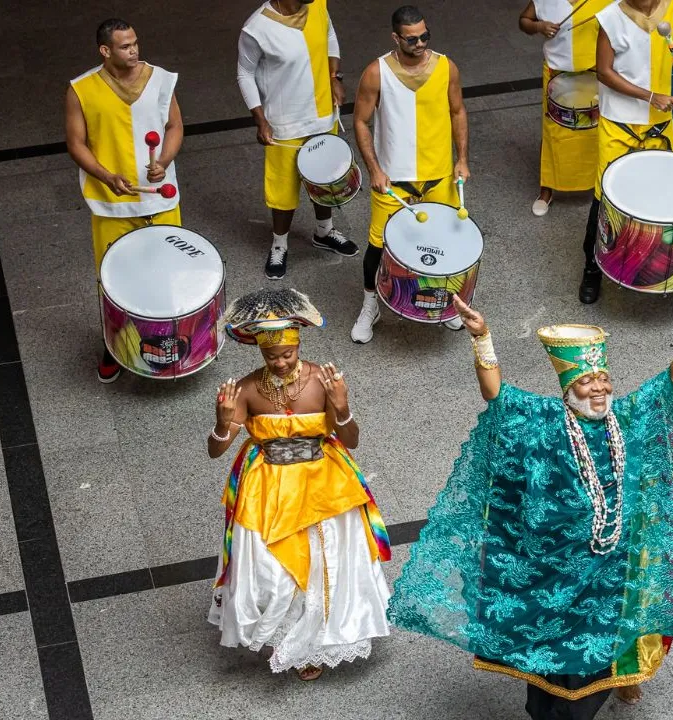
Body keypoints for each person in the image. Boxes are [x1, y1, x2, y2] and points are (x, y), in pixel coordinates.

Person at [389, 286, 673, 718]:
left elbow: (671, 385)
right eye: (587, 383)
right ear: (568, 389)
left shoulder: (626, 416)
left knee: (609, 648)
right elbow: (497, 396)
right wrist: (482, 337)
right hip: (553, 568)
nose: (598, 391)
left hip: (616, 567)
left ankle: (612, 685)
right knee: (554, 669)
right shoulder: (544, 421)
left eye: (603, 382)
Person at [207, 288, 392, 680]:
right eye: (271, 356)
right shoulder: (244, 389)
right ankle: (285, 637)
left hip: (324, 482)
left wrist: (341, 408)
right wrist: (223, 424)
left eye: (287, 354)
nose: (279, 362)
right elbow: (215, 450)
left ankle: (313, 645)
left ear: (298, 344)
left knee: (327, 564)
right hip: (268, 488)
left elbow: (352, 438)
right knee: (273, 572)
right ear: (260, 352)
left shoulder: (322, 380)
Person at [66, 18, 184, 383]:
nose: (134, 50)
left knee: (167, 274)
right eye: (124, 46)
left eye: (135, 43)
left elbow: (175, 127)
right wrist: (105, 176)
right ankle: (114, 345)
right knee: (114, 281)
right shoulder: (81, 89)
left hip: (161, 201)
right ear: (105, 50)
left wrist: (162, 162)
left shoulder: (162, 79)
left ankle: (166, 342)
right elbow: (76, 143)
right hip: (111, 204)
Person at [349, 5, 471, 343]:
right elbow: (360, 121)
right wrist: (374, 169)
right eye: (412, 39)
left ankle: (446, 302)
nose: (420, 44)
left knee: (445, 241)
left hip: (439, 176)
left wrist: (462, 159)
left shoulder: (447, 67)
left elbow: (458, 111)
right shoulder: (376, 72)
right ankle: (370, 304)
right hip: (393, 181)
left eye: (425, 36)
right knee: (378, 245)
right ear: (396, 38)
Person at [578, 0, 673, 304]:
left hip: (657, 121)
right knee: (604, 193)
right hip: (619, 121)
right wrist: (650, 95)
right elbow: (603, 72)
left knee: (665, 192)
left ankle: (669, 267)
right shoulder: (610, 19)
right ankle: (591, 266)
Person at [237, 0, 357, 281]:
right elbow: (245, 73)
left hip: (322, 112)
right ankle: (279, 244)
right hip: (284, 121)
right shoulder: (256, 28)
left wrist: (334, 76)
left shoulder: (318, 7)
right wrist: (260, 119)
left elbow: (329, 37)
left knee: (324, 178)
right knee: (283, 189)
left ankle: (324, 232)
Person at [518, 0, 614, 216]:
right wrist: (538, 27)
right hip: (557, 71)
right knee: (554, 133)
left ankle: (601, 188)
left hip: (594, 71)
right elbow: (523, 21)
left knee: (596, 132)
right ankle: (546, 190)